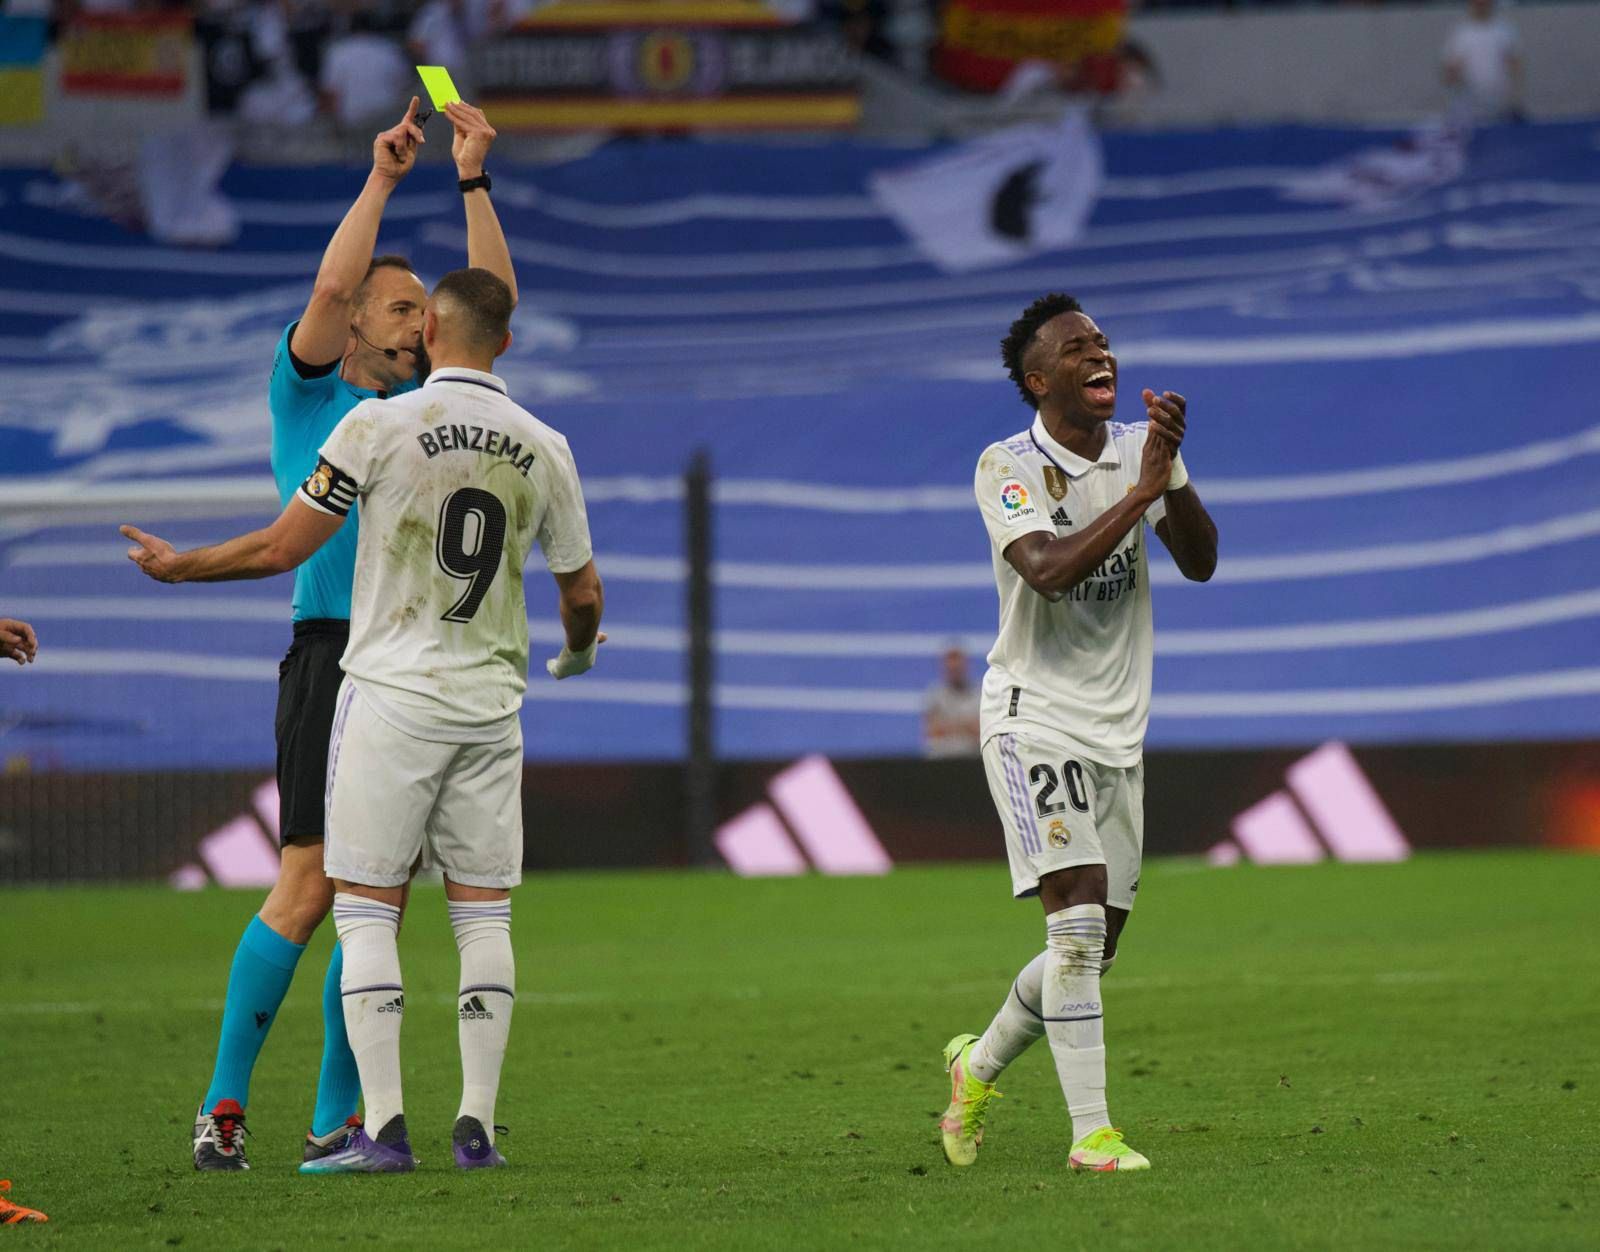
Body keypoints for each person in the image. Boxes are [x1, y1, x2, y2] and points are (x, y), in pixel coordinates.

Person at [123, 266, 605, 1174]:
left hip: (388, 688)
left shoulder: (380, 425)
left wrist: (180, 567)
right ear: (505, 338)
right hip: (492, 703)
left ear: (430, 327)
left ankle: (374, 1129)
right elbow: (582, 592)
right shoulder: (543, 442)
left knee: (363, 904)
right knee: (479, 911)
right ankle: (475, 1127)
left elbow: (281, 545)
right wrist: (577, 652)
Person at [185, 96, 521, 1172]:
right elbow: (331, 286)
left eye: (421, 309)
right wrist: (384, 179)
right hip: (332, 653)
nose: (414, 318)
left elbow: (490, 304)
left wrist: (471, 178)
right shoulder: (309, 394)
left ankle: (342, 1119)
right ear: (361, 321)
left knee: (375, 896)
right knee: (311, 886)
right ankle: (223, 1106)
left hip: (411, 667)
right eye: (397, 304)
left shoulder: (429, 405)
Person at [939, 293, 1217, 1174]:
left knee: (1094, 945)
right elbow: (1050, 572)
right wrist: (1142, 489)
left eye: (1102, 341)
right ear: (1037, 379)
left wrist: (1171, 474)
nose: (1099, 354)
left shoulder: (1144, 453)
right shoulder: (1006, 465)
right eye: (1075, 348)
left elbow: (1203, 561)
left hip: (1118, 731)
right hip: (1032, 715)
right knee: (1077, 929)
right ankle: (1091, 1136)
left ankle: (974, 1069)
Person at [1442, 0, 1524, 125]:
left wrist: (1513, 97)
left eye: (1484, 2)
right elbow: (1451, 71)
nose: (1481, 5)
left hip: (1499, 106)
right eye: (1477, 3)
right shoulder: (1461, 34)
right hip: (1469, 109)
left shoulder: (1504, 31)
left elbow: (1515, 67)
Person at [921, 644, 980, 758]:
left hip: (973, 759)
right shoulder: (934, 695)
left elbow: (981, 731)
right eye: (951, 669)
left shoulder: (980, 694)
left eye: (957, 669)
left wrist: (949, 725)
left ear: (965, 667)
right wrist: (967, 725)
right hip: (942, 759)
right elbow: (932, 732)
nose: (955, 672)